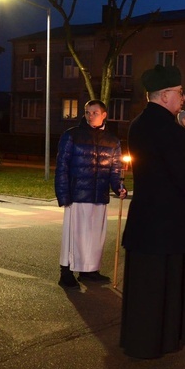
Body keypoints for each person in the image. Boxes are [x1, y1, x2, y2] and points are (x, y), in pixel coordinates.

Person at [120, 64, 185, 359]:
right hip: (167, 225)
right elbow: (183, 175)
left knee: (143, 289)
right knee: (162, 288)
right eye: (180, 93)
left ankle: (140, 341)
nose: (183, 98)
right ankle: (161, 341)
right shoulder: (168, 130)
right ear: (167, 94)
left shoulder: (138, 124)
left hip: (144, 221)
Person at [55, 99, 127, 288]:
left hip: (99, 196)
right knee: (74, 236)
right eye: (87, 112)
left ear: (104, 115)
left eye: (95, 112)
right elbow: (62, 166)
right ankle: (66, 272)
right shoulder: (72, 135)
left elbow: (115, 169)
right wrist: (63, 195)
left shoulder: (112, 141)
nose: (90, 116)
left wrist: (118, 187)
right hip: (77, 194)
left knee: (95, 236)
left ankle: (89, 270)